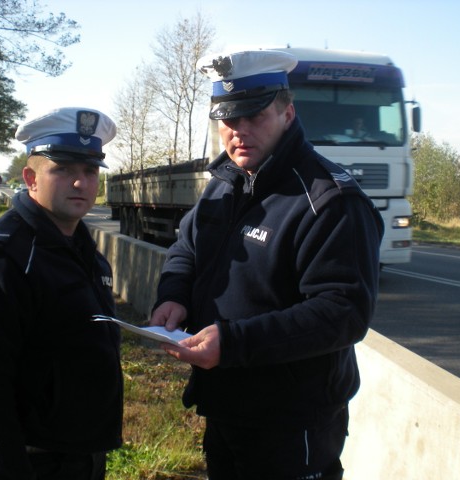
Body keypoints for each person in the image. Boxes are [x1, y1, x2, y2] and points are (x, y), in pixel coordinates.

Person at [150, 50, 384, 480]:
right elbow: (187, 245)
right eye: (228, 120)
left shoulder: (328, 201)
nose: (239, 131)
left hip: (292, 423)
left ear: (287, 112)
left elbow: (342, 312)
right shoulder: (223, 184)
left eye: (254, 116)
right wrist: (174, 294)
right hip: (225, 403)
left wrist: (234, 342)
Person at [0, 107, 123, 479]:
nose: (80, 183)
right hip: (33, 463)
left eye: (89, 171)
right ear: (30, 178)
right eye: (64, 170)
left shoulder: (86, 254)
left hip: (83, 456)